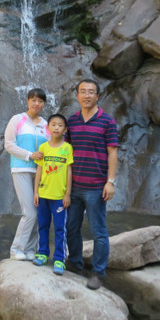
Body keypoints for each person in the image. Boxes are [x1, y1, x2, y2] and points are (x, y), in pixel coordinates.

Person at [65, 79, 119, 290]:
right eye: (83, 91)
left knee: (99, 231)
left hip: (97, 186)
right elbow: (65, 151)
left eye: (91, 92)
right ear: (77, 95)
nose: (87, 95)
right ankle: (75, 264)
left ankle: (98, 272)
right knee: (71, 228)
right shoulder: (71, 121)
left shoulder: (107, 121)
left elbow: (113, 152)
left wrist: (110, 182)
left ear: (98, 96)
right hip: (74, 185)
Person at [4, 88, 49, 261]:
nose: (37, 104)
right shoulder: (17, 119)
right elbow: (9, 145)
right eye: (34, 100)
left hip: (40, 172)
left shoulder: (46, 124)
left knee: (38, 212)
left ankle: (30, 249)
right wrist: (29, 155)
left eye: (40, 101)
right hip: (21, 168)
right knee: (29, 212)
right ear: (28, 101)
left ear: (44, 104)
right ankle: (16, 248)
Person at [32, 113, 74, 276]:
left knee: (59, 229)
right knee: (42, 225)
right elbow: (39, 170)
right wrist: (35, 192)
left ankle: (59, 259)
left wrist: (67, 194)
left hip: (59, 197)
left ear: (65, 129)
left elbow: (69, 171)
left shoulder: (67, 148)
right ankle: (42, 253)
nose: (56, 127)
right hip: (43, 195)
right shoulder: (43, 147)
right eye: (53, 124)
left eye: (60, 125)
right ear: (47, 127)